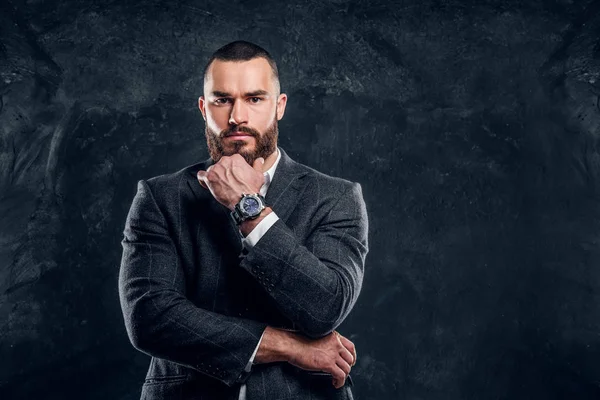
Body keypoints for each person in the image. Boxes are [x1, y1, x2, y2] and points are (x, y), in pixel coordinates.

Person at [118, 40, 369, 400]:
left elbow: (325, 306)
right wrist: (287, 344)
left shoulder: (336, 197)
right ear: (204, 108)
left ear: (279, 106)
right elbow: (150, 318)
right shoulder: (160, 197)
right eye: (222, 100)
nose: (237, 116)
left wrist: (245, 206)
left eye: (254, 99)